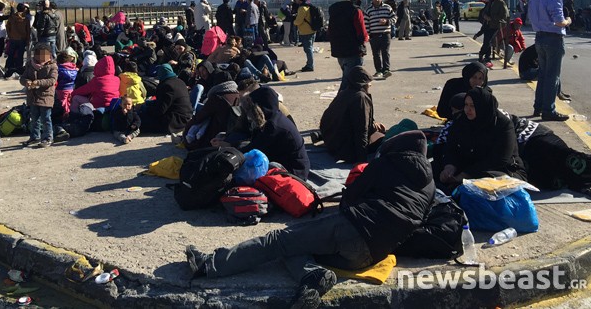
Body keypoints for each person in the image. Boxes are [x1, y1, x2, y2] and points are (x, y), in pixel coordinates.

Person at [186, 130, 434, 308]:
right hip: (370, 254)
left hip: (353, 227)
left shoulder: (387, 163)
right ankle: (312, 275)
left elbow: (352, 196)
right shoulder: (430, 185)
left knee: (278, 240)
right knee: (293, 248)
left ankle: (209, 265)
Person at [436, 87, 526, 192]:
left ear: (482, 106)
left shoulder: (503, 124)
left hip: (497, 169)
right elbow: (451, 147)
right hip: (467, 165)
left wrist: (466, 174)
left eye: (472, 106)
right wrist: (449, 167)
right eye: (466, 105)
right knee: (433, 169)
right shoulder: (461, 120)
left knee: (488, 181)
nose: (467, 110)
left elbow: (500, 159)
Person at [222, 86, 310, 180]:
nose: (250, 111)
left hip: (294, 173)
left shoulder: (273, 127)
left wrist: (228, 147)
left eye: (252, 107)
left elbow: (254, 149)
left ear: (260, 107)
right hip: (285, 162)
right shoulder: (272, 118)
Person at [316, 66, 385, 163]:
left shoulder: (344, 93)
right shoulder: (360, 98)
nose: (370, 85)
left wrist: (372, 123)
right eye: (369, 82)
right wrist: (362, 161)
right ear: (364, 83)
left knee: (379, 133)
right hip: (346, 150)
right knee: (387, 140)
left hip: (333, 143)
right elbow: (361, 131)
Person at [528, 0, 571, 121]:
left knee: (543, 74)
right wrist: (568, 21)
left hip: (539, 37)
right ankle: (549, 110)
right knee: (553, 76)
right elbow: (559, 21)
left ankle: (538, 107)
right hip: (553, 38)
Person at [328, 0, 368, 91]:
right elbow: (362, 32)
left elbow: (331, 29)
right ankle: (339, 106)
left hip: (338, 50)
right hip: (353, 50)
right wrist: (365, 40)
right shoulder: (356, 10)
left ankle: (345, 104)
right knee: (350, 82)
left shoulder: (334, 8)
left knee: (347, 78)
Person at [20, 43, 58, 148]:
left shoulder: (52, 66)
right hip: (32, 96)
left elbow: (52, 80)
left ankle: (48, 138)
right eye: (39, 55)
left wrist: (38, 82)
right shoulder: (29, 64)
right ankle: (35, 137)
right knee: (34, 118)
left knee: (46, 118)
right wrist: (26, 82)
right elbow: (22, 78)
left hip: (46, 96)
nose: (41, 58)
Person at [139, 64, 193, 134]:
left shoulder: (167, 85)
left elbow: (160, 110)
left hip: (175, 122)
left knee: (139, 120)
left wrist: (146, 109)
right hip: (186, 118)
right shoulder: (180, 81)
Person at [365, 0, 396, 79]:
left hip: (385, 34)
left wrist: (387, 21)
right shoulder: (368, 10)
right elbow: (366, 23)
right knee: (376, 54)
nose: (376, 0)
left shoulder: (387, 8)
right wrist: (368, 34)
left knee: (385, 52)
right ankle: (378, 70)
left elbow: (394, 18)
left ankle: (386, 70)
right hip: (374, 35)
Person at [478, 0, 509, 67]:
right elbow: (484, 11)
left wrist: (492, 18)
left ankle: (483, 55)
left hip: (495, 25)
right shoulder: (490, 2)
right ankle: (486, 57)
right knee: (486, 41)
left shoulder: (501, 3)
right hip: (487, 25)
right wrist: (485, 16)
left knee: (489, 41)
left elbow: (504, 15)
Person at [4, 3, 31, 79]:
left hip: (13, 39)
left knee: (11, 55)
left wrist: (10, 35)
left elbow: (7, 27)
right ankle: (19, 70)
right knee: (20, 56)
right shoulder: (25, 19)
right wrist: (28, 40)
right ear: (24, 9)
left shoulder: (12, 17)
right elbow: (28, 31)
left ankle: (8, 69)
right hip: (22, 39)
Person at [293, 0, 315, 72]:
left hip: (306, 31)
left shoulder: (302, 8)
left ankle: (310, 65)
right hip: (312, 30)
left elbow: (298, 21)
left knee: (308, 49)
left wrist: (294, 22)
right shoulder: (309, 6)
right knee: (310, 48)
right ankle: (310, 63)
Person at [55, 48, 79, 115]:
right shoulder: (74, 68)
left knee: (62, 103)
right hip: (71, 88)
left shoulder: (59, 70)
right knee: (68, 102)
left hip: (61, 89)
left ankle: (65, 114)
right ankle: (68, 113)